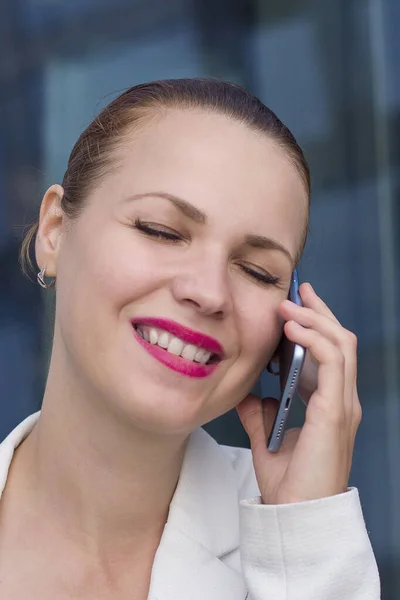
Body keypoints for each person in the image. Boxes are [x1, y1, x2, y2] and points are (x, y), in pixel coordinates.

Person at [0, 78, 380, 599]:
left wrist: (307, 538)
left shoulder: (301, 541)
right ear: (54, 231)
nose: (207, 292)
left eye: (256, 270)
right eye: (161, 230)